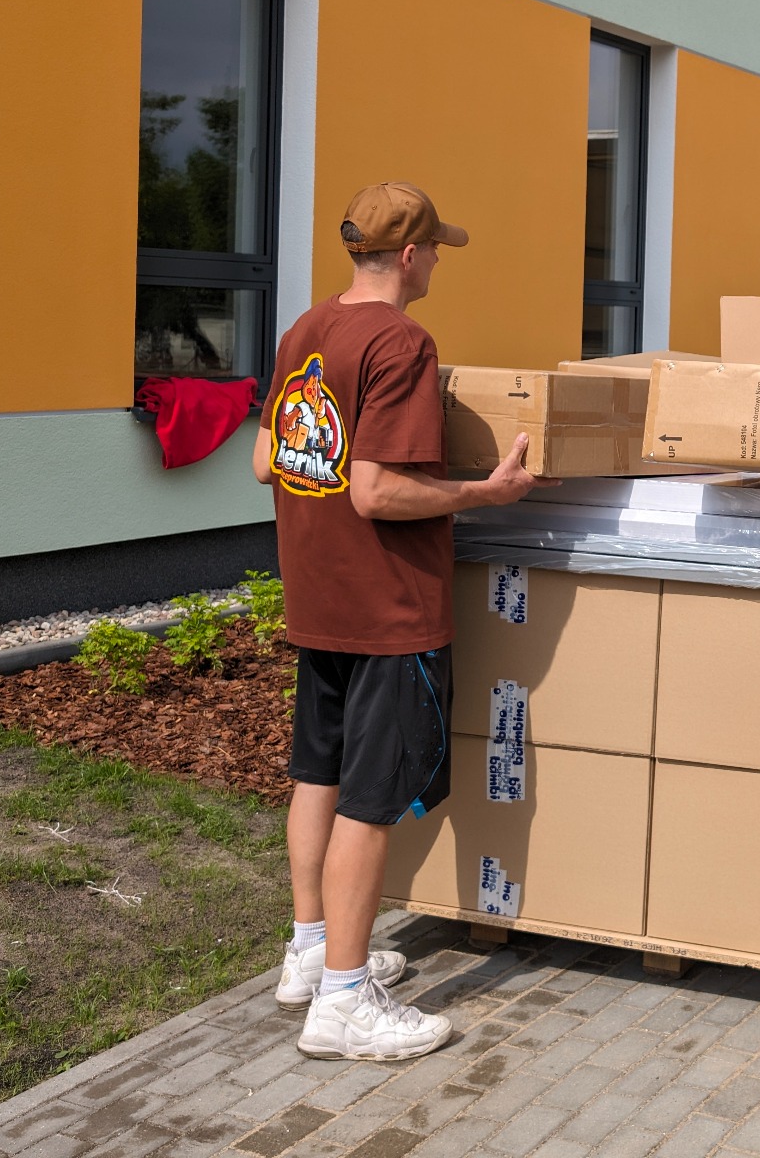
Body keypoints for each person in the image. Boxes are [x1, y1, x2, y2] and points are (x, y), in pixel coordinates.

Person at [253, 182, 539, 1062]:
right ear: (410, 255)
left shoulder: (305, 330)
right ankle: (343, 1004)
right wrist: (483, 494)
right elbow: (376, 490)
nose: (439, 262)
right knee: (370, 805)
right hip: (386, 607)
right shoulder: (401, 342)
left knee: (319, 774)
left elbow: (269, 461)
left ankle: (309, 953)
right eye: (437, 249)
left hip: (317, 594)